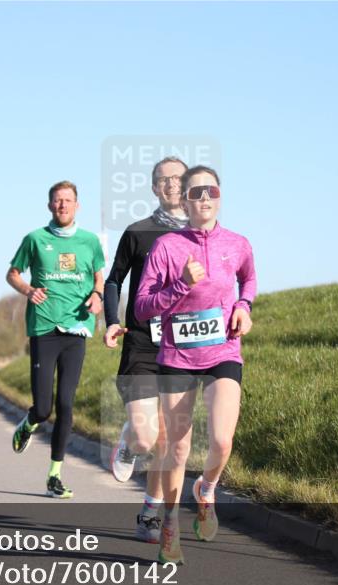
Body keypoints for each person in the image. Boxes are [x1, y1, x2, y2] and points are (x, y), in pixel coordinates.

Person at [134, 165, 256, 564]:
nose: (204, 198)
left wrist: (243, 306)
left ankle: (206, 488)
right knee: (178, 447)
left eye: (211, 191)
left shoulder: (237, 244)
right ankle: (170, 523)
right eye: (196, 192)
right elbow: (142, 307)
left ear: (220, 197)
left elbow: (249, 279)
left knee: (222, 441)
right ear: (184, 201)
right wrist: (181, 284)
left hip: (223, 351)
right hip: (178, 356)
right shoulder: (167, 247)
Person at [104, 156, 189, 543]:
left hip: (182, 348)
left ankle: (149, 515)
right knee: (145, 437)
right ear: (155, 188)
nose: (171, 184)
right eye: (163, 179)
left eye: (178, 178)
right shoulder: (138, 232)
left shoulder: (202, 236)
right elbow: (114, 281)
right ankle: (129, 441)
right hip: (141, 343)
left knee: (167, 440)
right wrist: (111, 320)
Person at [6, 180, 105, 499]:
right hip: (44, 328)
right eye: (57, 200)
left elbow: (99, 277)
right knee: (44, 408)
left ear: (77, 205)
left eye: (68, 200)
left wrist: (98, 295)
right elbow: (12, 273)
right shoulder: (35, 239)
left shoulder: (90, 241)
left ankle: (54, 475)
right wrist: (28, 290)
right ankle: (29, 422)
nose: (62, 205)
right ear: (50, 205)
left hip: (77, 328)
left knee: (65, 404)